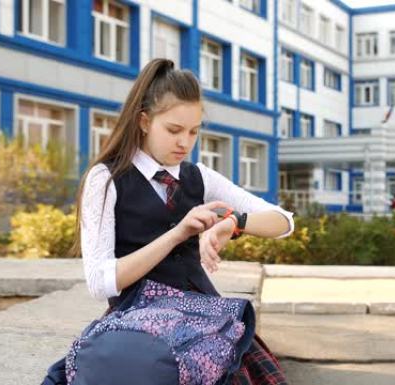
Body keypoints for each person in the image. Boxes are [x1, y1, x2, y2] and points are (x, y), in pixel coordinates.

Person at [41, 59, 294, 385]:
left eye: (194, 132)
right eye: (174, 130)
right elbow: (101, 281)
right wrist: (177, 234)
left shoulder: (199, 176)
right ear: (144, 121)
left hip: (205, 319)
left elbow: (284, 221)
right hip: (139, 323)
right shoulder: (106, 179)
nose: (184, 142)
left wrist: (233, 223)